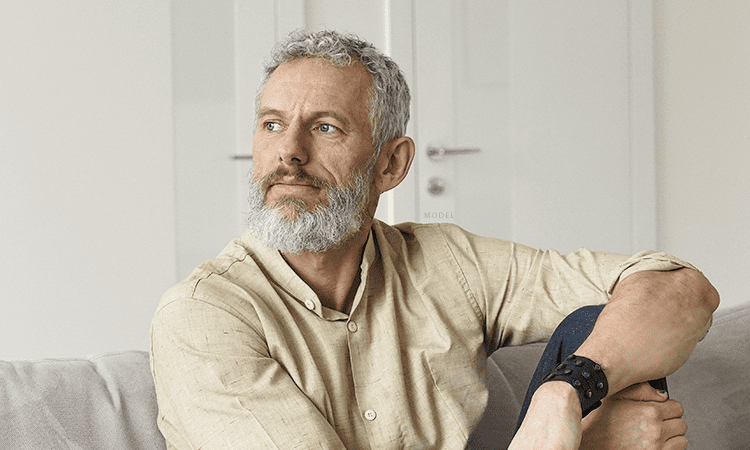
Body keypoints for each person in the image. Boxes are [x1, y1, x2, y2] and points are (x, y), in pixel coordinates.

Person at [150, 30, 719, 450]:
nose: (288, 153)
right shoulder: (202, 316)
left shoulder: (445, 263)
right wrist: (582, 444)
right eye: (271, 124)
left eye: (325, 127)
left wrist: (567, 395)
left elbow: (680, 288)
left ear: (391, 164)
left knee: (598, 330)